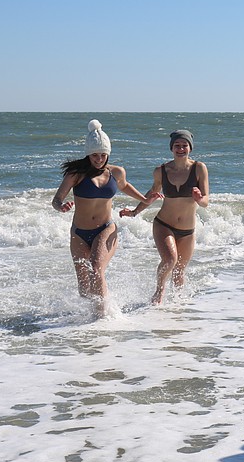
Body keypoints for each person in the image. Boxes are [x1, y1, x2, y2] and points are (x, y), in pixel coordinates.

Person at [52, 119, 162, 316]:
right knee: (84, 288)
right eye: (95, 155)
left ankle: (103, 318)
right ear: (88, 154)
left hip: (105, 229)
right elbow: (56, 199)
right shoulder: (75, 174)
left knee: (96, 268)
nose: (99, 159)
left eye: (103, 155)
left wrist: (145, 199)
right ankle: (91, 316)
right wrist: (62, 206)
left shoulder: (116, 172)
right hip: (78, 233)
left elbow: (125, 186)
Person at [120, 129, 209, 304]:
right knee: (170, 260)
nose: (181, 149)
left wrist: (200, 199)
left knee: (179, 270)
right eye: (177, 145)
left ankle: (178, 306)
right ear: (171, 148)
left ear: (190, 148)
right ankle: (158, 294)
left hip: (187, 230)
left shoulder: (199, 168)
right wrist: (134, 212)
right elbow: (151, 194)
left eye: (184, 145)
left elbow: (206, 201)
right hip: (164, 224)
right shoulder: (161, 171)